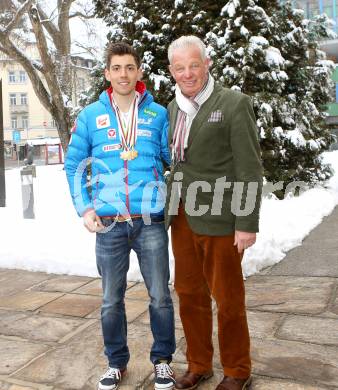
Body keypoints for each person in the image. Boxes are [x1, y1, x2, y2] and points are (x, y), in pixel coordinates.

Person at [65, 42, 176, 390]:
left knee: (159, 295)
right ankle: (116, 363)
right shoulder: (90, 116)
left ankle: (162, 361)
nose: (123, 74)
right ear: (107, 73)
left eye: (130, 67)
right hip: (109, 224)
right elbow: (73, 166)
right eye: (117, 68)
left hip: (149, 222)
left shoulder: (158, 114)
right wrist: (85, 207)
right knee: (111, 299)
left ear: (139, 71)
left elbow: (170, 158)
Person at [165, 36, 263, 390]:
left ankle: (238, 370)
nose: (187, 73)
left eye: (194, 64)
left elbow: (250, 168)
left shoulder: (234, 104)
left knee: (229, 299)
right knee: (189, 295)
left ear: (207, 64)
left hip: (222, 218)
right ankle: (199, 364)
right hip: (182, 218)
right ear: (172, 71)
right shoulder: (174, 108)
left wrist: (246, 223)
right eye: (180, 67)